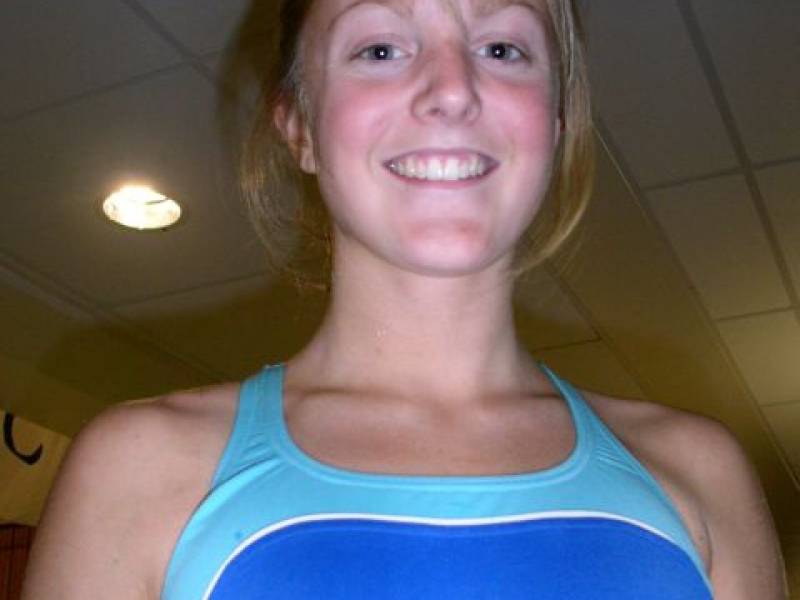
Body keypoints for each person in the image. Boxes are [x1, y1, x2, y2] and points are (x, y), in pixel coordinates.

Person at [22, 0, 786, 598]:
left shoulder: (700, 473)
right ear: (299, 127)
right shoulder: (137, 470)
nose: (453, 90)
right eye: (380, 49)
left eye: (502, 48)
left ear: (555, 122)